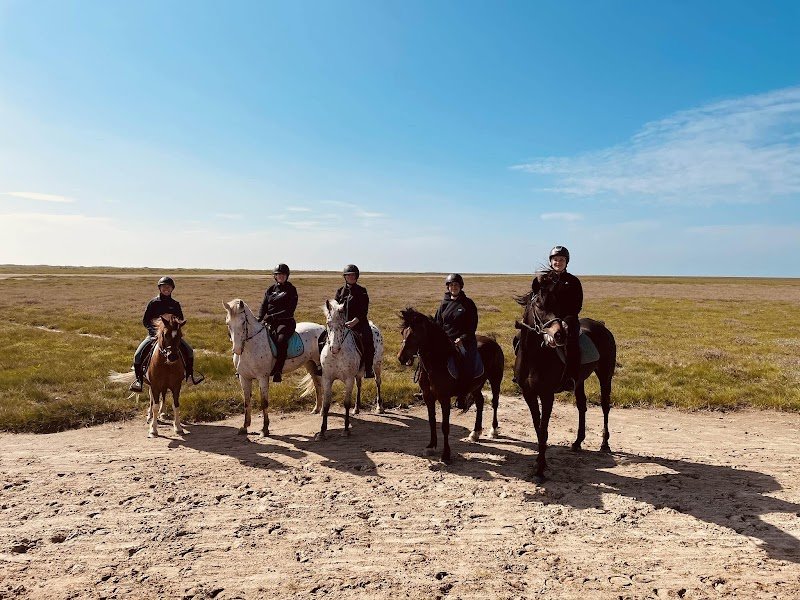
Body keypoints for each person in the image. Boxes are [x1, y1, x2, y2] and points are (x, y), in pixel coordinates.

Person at [129, 276, 202, 392]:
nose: (166, 289)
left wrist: (176, 327)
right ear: (159, 288)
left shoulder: (175, 304)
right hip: (154, 335)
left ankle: (189, 376)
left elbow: (180, 319)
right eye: (163, 287)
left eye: (168, 287)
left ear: (172, 289)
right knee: (137, 355)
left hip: (172, 337)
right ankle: (138, 380)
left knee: (189, 351)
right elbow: (146, 320)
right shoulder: (153, 303)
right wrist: (154, 332)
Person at [533, 245, 583, 391]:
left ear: (566, 262)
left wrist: (564, 321)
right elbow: (536, 300)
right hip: (546, 318)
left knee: (572, 343)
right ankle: (522, 373)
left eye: (561, 259)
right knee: (520, 338)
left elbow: (576, 306)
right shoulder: (543, 280)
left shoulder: (573, 281)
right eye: (555, 259)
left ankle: (571, 378)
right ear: (551, 261)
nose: (558, 262)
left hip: (568, 319)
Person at [256, 263, 298, 383]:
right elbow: (264, 306)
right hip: (269, 322)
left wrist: (273, 316)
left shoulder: (291, 290)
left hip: (286, 322)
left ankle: (278, 370)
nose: (280, 276)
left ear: (287, 276)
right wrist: (259, 318)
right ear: (275, 276)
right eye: (278, 274)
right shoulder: (270, 289)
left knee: (281, 340)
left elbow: (289, 310)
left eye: (283, 274)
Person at [334, 264, 375, 378]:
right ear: (345, 277)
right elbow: (335, 308)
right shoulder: (340, 291)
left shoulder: (362, 291)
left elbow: (363, 310)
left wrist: (354, 321)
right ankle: (322, 365)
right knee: (326, 338)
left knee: (368, 340)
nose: (351, 277)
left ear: (356, 276)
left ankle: (368, 369)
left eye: (353, 275)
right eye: (348, 275)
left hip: (359, 324)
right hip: (343, 324)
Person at [434, 272, 479, 368]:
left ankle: (468, 382)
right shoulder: (443, 304)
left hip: (464, 341)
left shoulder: (468, 303)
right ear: (448, 287)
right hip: (446, 340)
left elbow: (472, 326)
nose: (454, 287)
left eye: (456, 285)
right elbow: (437, 323)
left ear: (460, 286)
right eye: (451, 285)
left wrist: (462, 339)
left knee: (467, 364)